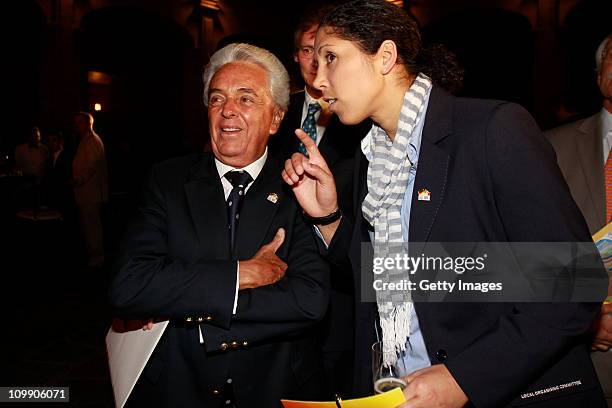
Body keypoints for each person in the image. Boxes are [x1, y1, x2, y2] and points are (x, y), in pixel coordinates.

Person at [282, 1, 608, 407]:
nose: (318, 80)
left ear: (385, 57)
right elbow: (397, 278)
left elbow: (573, 286)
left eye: (331, 57)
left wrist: (466, 378)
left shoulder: (492, 129)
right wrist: (328, 216)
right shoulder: (373, 157)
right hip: (403, 392)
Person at [109, 43, 330, 407]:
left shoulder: (299, 185)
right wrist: (241, 275)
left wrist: (184, 309)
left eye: (246, 99)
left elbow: (309, 300)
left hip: (274, 390)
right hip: (180, 389)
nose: (227, 111)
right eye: (217, 99)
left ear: (275, 119)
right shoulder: (168, 181)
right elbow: (129, 286)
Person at [272, 4, 371, 398]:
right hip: (282, 268)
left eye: (327, 52)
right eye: (308, 50)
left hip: (345, 276)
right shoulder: (276, 111)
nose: (316, 62)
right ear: (296, 55)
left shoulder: (362, 117)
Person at [545, 33, 612, 407]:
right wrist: (588, 316)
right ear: (599, 70)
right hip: (574, 358)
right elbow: (524, 249)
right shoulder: (547, 146)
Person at [72, 111, 108, 270]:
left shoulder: (92, 141)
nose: (76, 126)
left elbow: (91, 166)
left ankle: (97, 260)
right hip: (86, 192)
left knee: (92, 228)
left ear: (88, 124)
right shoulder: (85, 141)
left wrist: (77, 180)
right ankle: (94, 257)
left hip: (90, 193)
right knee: (89, 227)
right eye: (75, 122)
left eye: (79, 122)